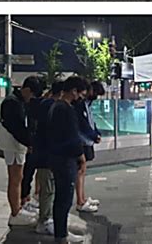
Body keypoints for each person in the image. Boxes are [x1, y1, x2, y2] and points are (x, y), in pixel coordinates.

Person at [47, 76, 88, 243]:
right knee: (64, 198)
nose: (81, 98)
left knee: (61, 198)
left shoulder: (55, 106)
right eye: (80, 94)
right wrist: (81, 156)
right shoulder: (66, 109)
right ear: (73, 91)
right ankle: (61, 235)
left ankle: (61, 233)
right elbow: (72, 136)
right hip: (65, 159)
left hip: (56, 157)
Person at [0, 76, 42, 226]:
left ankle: (18, 209)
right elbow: (16, 127)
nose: (31, 99)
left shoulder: (17, 101)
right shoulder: (12, 103)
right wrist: (29, 142)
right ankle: (15, 212)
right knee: (15, 178)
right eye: (32, 95)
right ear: (27, 90)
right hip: (13, 144)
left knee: (18, 176)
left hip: (16, 143)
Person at [33, 80, 64, 236]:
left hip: (43, 153)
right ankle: (44, 221)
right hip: (47, 155)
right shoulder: (51, 106)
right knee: (48, 189)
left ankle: (45, 219)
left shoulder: (45, 104)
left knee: (47, 188)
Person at [73, 80, 102, 213]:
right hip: (82, 142)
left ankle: (83, 199)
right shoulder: (79, 105)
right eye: (95, 93)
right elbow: (83, 124)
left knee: (82, 171)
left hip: (87, 141)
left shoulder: (87, 104)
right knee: (80, 171)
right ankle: (80, 201)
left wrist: (96, 133)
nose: (95, 96)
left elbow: (90, 122)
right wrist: (93, 136)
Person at [20, 77, 45, 214]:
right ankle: (22, 201)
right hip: (25, 145)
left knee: (28, 173)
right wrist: (28, 142)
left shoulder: (28, 104)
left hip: (30, 143)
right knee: (24, 174)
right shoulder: (19, 103)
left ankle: (26, 199)